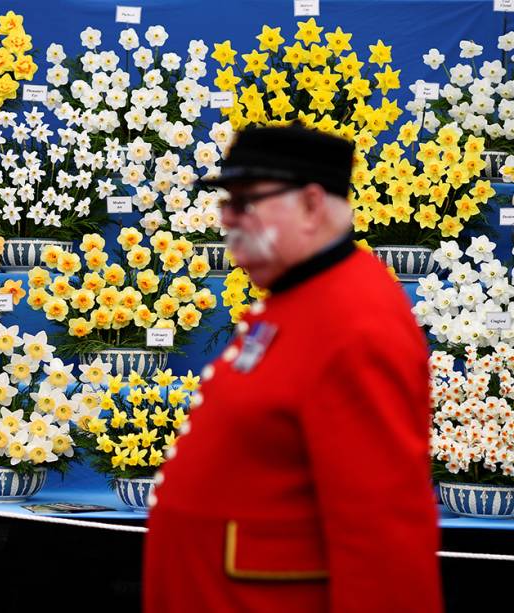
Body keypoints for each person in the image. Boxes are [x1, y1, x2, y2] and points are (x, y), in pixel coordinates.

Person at [143, 125, 442, 612]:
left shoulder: (357, 322)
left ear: (310, 204)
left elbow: (385, 535)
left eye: (245, 203)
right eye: (225, 203)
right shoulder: (299, 296)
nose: (227, 220)